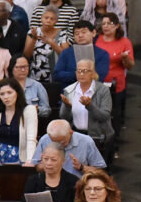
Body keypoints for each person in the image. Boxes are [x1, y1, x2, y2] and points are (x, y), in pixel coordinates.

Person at [59, 59, 114, 161]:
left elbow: (104, 116)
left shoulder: (103, 90)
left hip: (97, 137)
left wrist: (89, 106)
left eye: (85, 71)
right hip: (76, 136)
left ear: (92, 73)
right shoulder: (70, 90)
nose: (81, 74)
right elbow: (64, 117)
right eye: (79, 71)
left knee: (96, 169)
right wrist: (67, 107)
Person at [96, 12, 134, 141]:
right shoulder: (97, 39)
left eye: (109, 23)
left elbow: (130, 65)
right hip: (99, 81)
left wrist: (125, 58)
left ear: (117, 25)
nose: (106, 26)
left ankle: (114, 140)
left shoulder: (124, 42)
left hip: (116, 82)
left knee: (115, 113)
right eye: (104, 24)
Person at [0, 78, 38, 165]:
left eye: (9, 92)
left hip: (20, 157)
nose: (6, 97)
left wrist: (29, 161)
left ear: (17, 93)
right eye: (2, 94)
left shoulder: (29, 110)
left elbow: (31, 139)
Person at [52, 20, 108, 86]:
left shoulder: (102, 54)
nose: (80, 35)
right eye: (76, 33)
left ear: (93, 33)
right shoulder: (66, 53)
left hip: (93, 92)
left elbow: (99, 77)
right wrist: (77, 74)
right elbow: (56, 75)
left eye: (84, 32)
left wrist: (80, 74)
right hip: (69, 92)